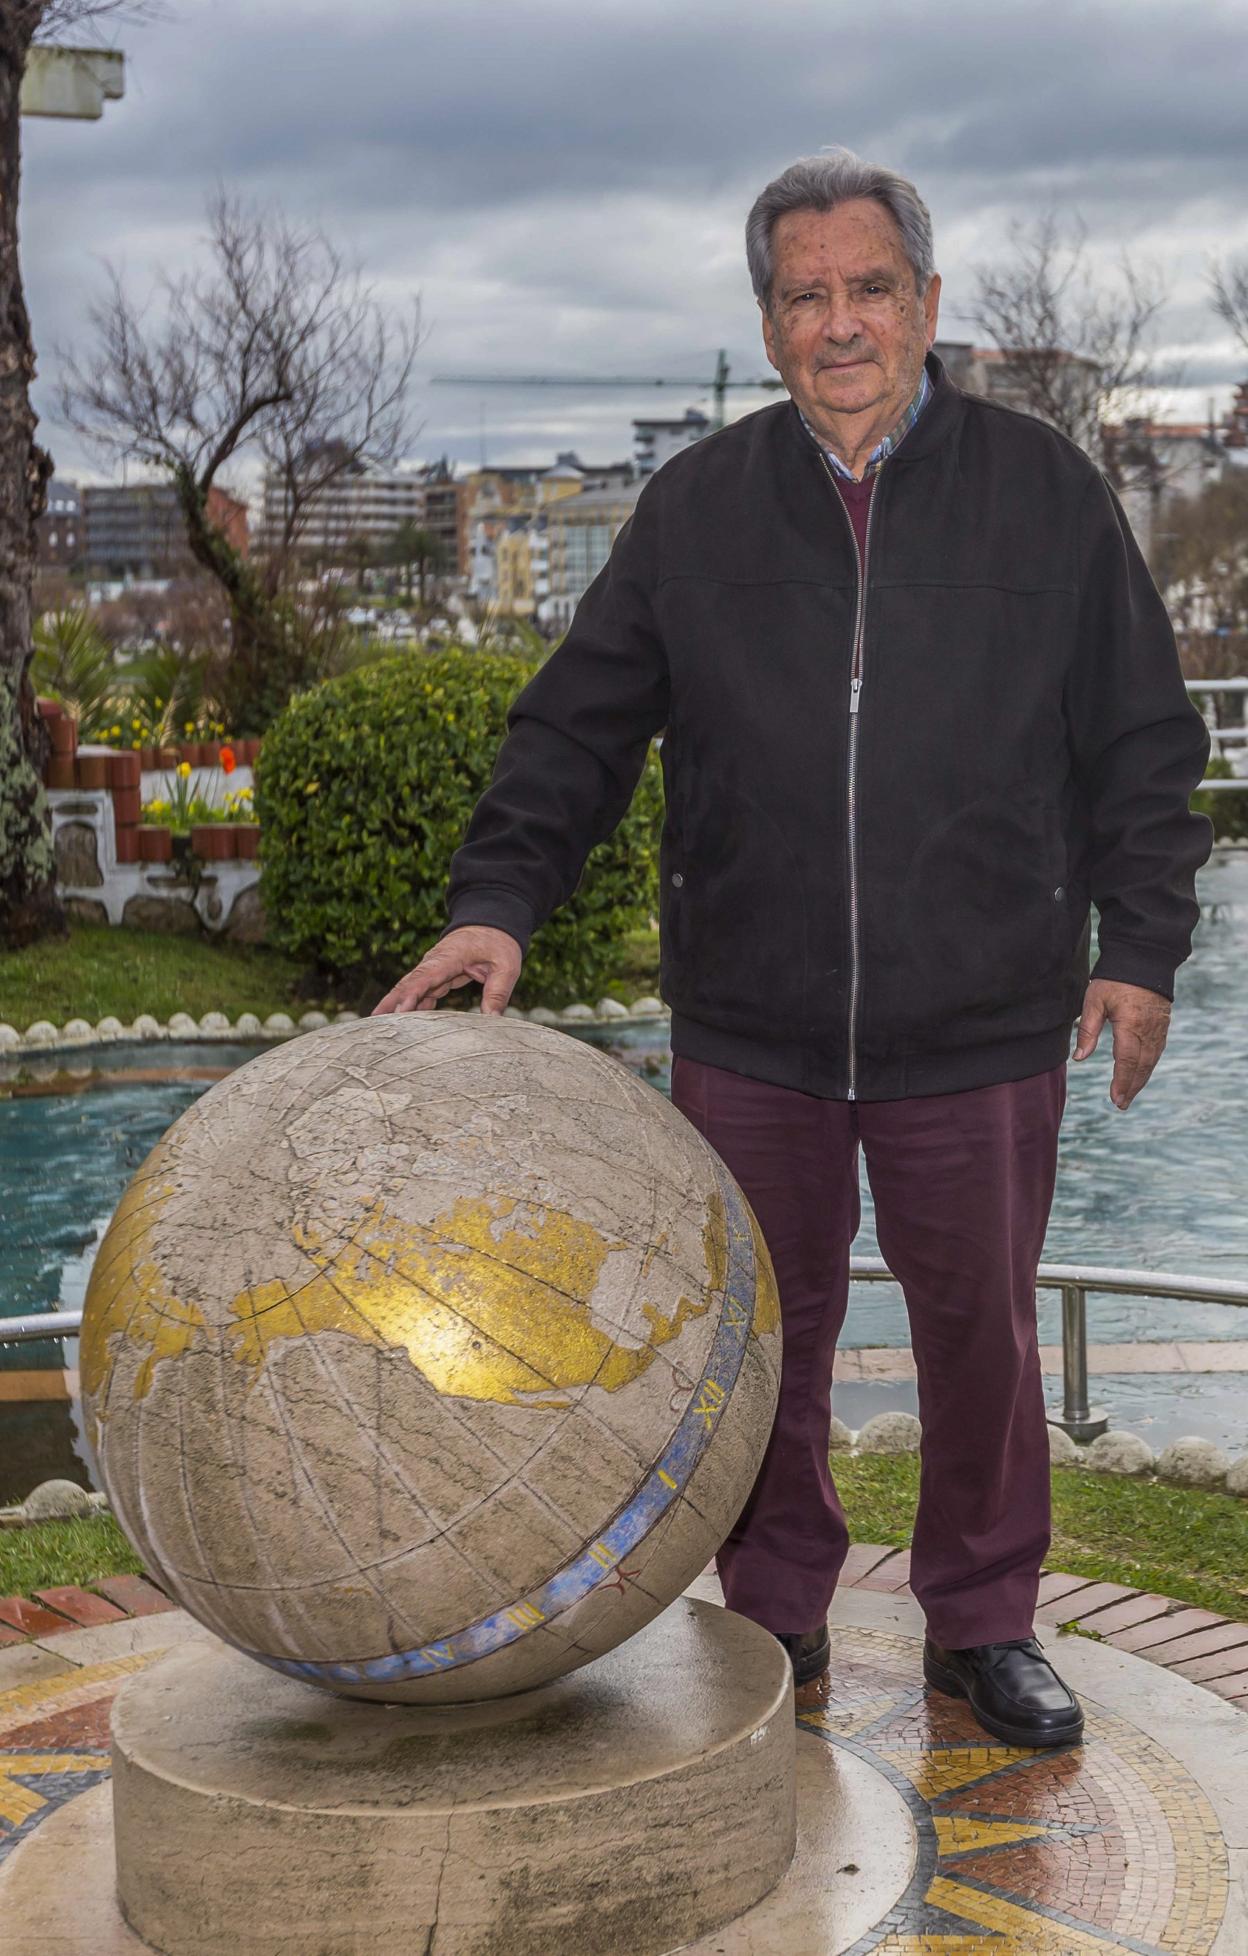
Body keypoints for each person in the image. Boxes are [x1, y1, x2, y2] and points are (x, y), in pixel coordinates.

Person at [374, 149, 1212, 1746]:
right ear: (768, 324)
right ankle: (776, 1614)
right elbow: (575, 733)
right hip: (752, 1027)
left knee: (981, 1341)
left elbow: (1142, 748)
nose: (841, 323)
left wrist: (1145, 946)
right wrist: (498, 901)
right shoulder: (697, 508)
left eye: (869, 288)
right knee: (764, 1345)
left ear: (928, 304)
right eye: (805, 295)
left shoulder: (1046, 496)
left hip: (980, 1020)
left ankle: (982, 1621)